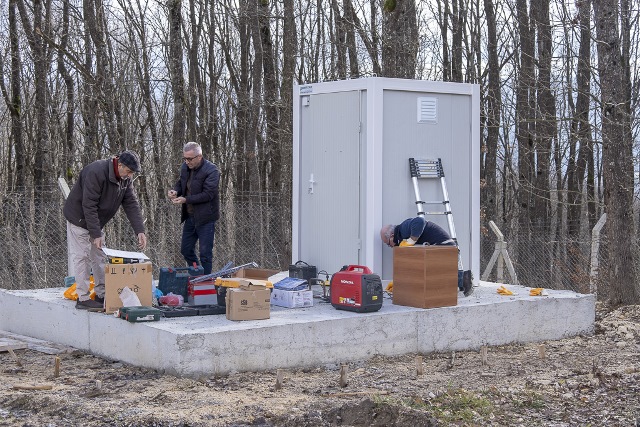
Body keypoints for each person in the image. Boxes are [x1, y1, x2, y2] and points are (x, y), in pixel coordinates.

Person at [64, 150, 147, 310]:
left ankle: (101, 294)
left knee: (99, 256)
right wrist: (95, 234)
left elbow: (131, 203)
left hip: (97, 221)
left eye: (132, 173)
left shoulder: (125, 179)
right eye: (129, 172)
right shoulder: (96, 172)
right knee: (82, 257)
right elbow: (89, 205)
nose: (130, 176)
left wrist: (140, 230)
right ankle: (83, 298)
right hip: (79, 218)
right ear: (120, 164)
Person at [380, 216, 474, 296]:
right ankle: (463, 282)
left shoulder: (403, 229)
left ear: (392, 235)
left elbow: (419, 221)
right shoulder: (401, 237)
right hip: (446, 248)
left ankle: (464, 278)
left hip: (445, 247)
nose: (390, 247)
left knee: (430, 274)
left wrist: (412, 240)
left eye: (388, 244)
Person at [168, 142, 220, 275]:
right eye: (185, 158)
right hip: (190, 217)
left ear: (199, 156)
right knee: (186, 250)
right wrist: (175, 191)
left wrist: (186, 199)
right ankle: (198, 273)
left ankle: (207, 282)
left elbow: (208, 194)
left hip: (206, 218)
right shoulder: (185, 167)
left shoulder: (212, 171)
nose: (187, 162)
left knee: (205, 254)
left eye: (190, 159)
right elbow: (181, 183)